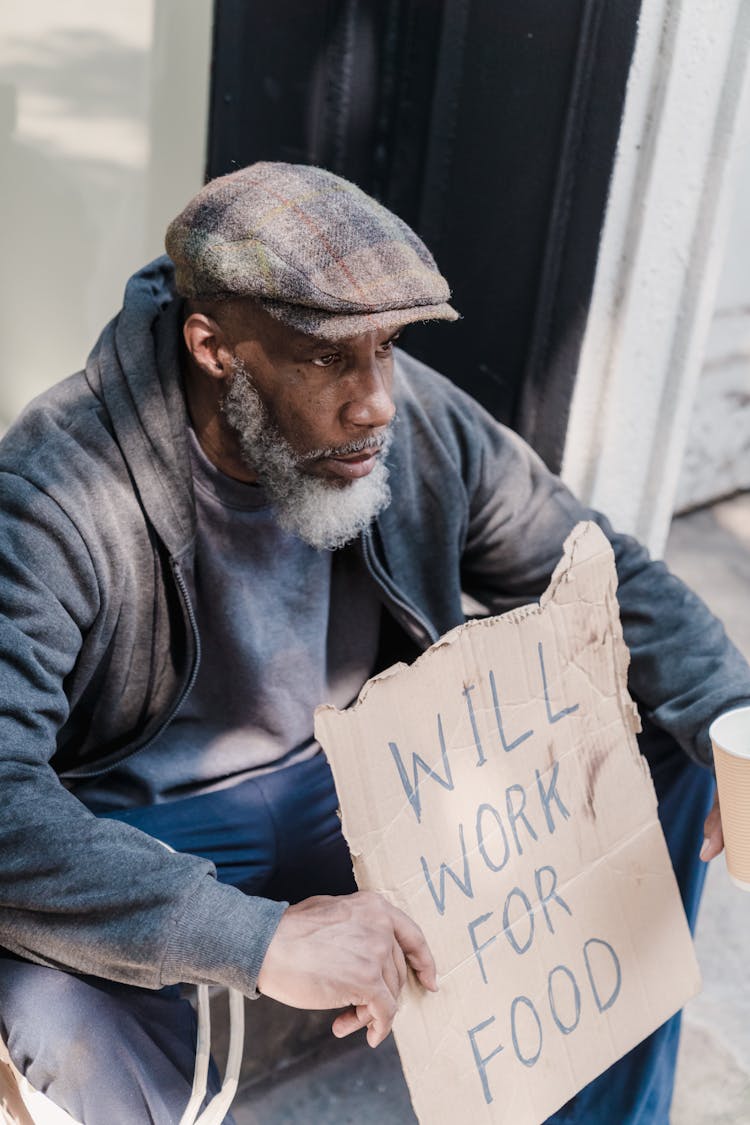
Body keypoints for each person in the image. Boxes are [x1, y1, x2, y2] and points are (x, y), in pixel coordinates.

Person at [0, 161, 743, 1125]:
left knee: (660, 748)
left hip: (367, 776)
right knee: (51, 992)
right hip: (158, 815)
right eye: (327, 358)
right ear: (215, 348)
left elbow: (601, 574)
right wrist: (256, 940)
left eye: (386, 346)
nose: (376, 399)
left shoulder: (412, 422)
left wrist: (731, 712)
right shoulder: (56, 488)